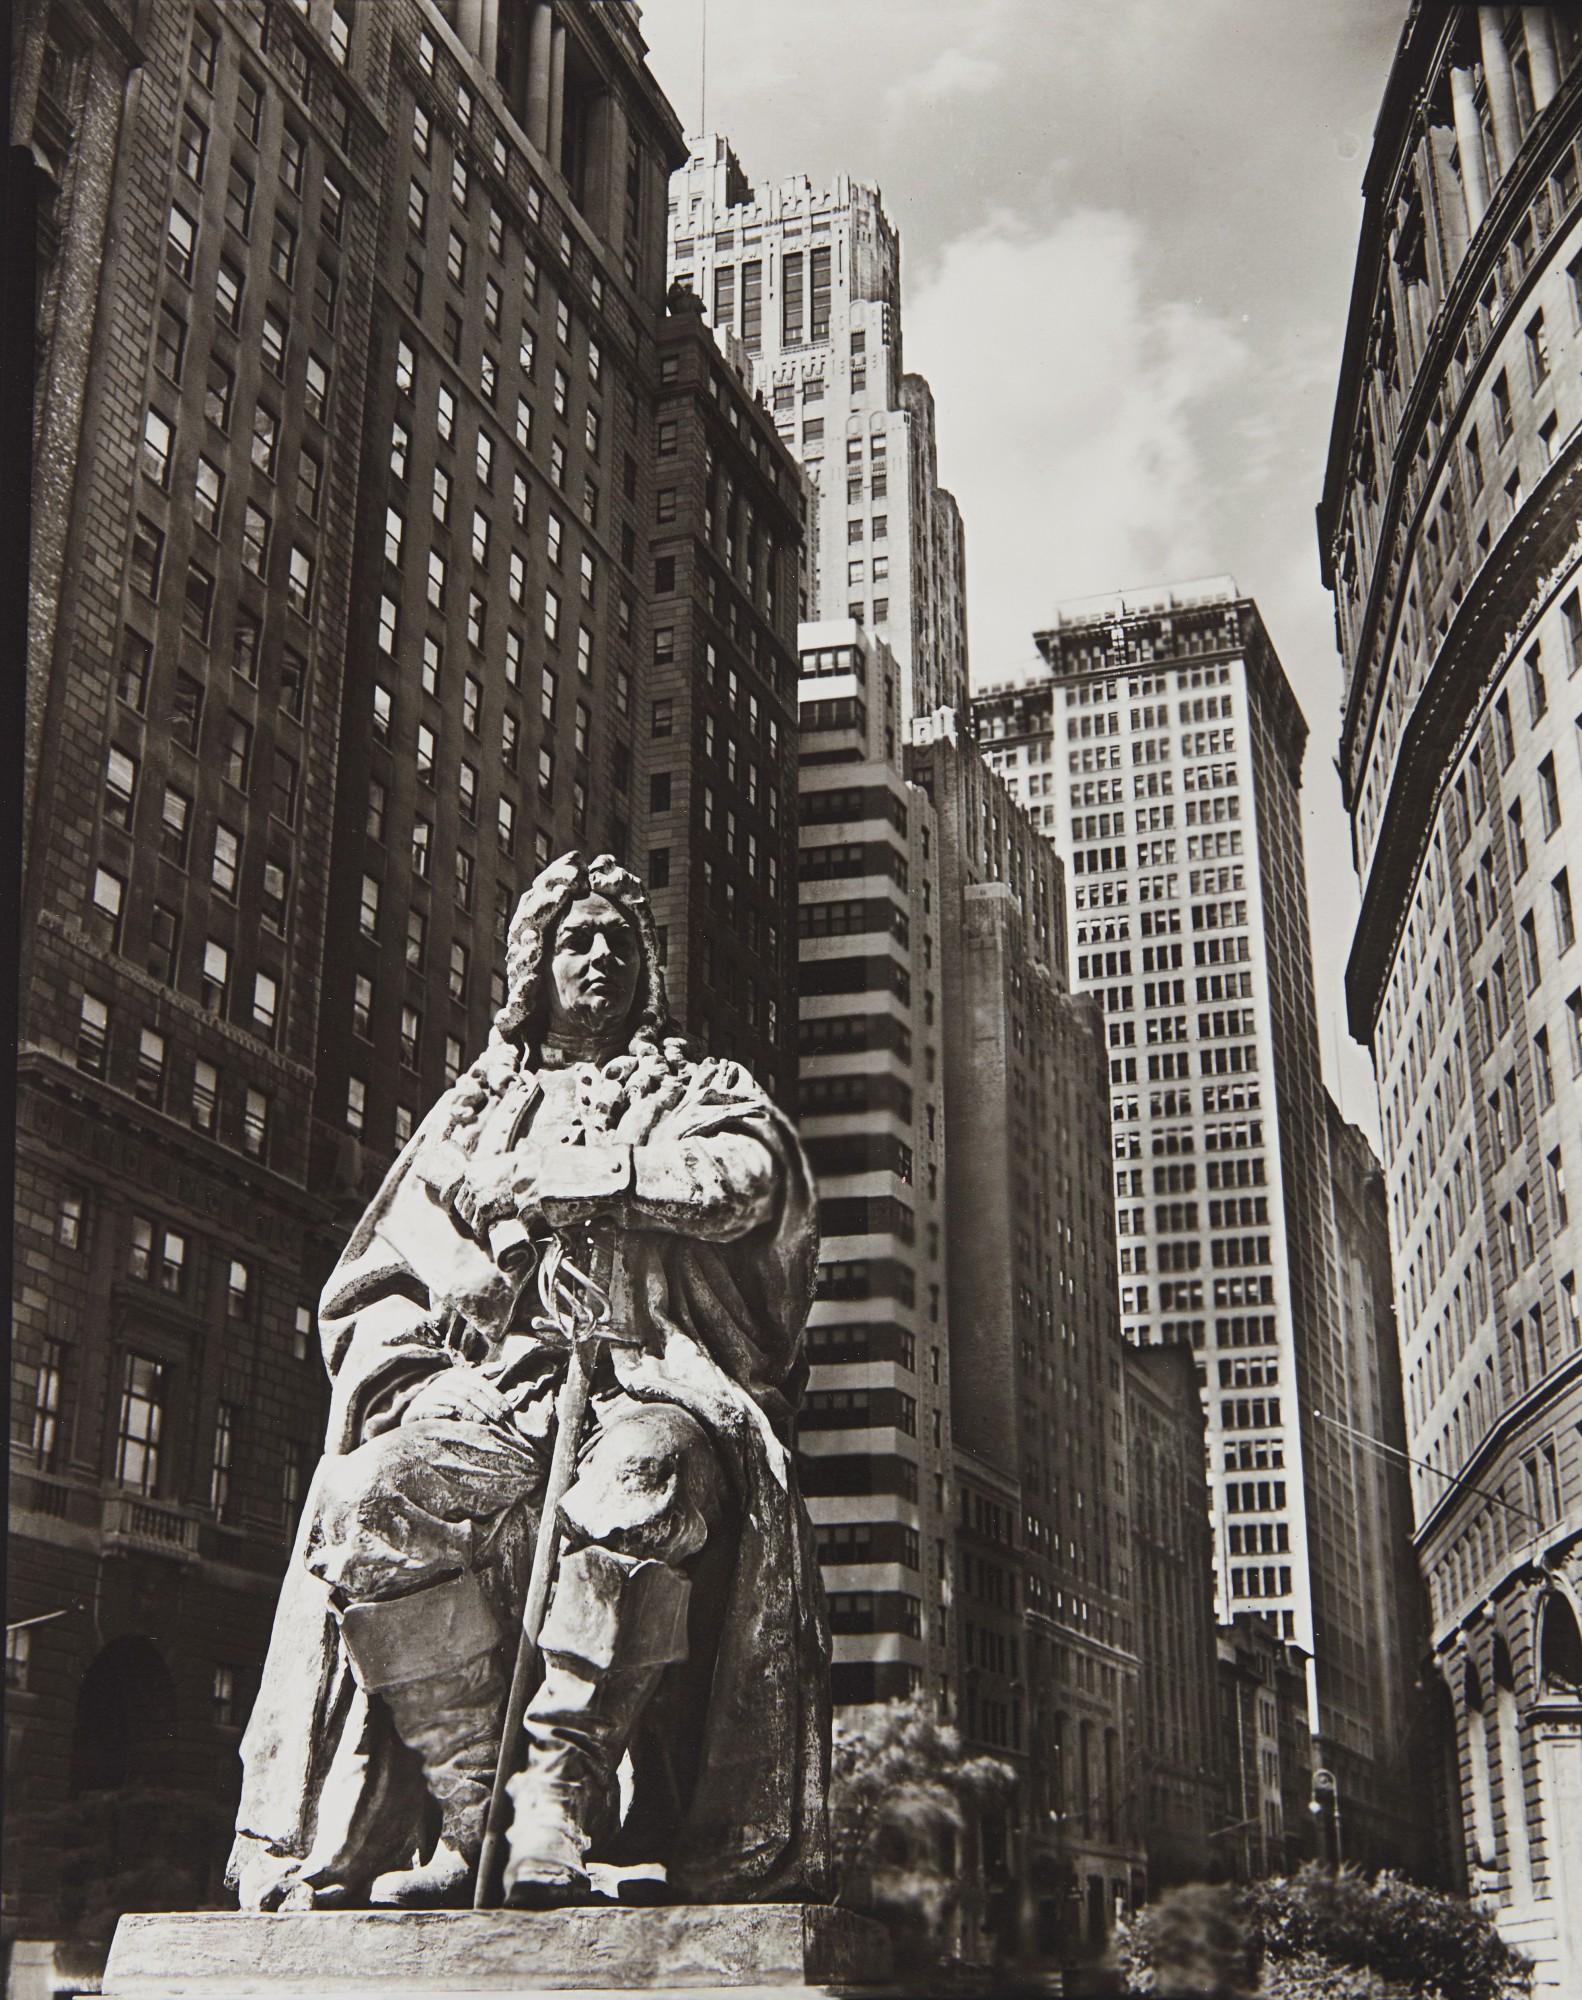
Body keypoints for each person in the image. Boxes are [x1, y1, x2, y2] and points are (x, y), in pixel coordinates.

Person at [228, 853, 829, 1912]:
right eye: (573, 938)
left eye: (619, 940)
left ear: (646, 967)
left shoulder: (698, 1090)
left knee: (648, 1474)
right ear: (534, 964)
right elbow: (373, 1274)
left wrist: (596, 1174)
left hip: (645, 1381)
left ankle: (555, 1793)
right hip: (488, 1398)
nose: (597, 954)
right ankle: (472, 1818)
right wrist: (442, 1313)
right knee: (366, 1499)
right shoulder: (470, 1112)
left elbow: (752, 1182)